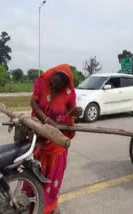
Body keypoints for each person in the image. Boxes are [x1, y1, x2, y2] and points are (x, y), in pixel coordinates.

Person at [30, 64, 82, 214]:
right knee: (34, 170)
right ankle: (32, 199)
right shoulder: (42, 82)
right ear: (52, 77)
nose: (53, 88)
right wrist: (46, 120)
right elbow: (33, 103)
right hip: (40, 135)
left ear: (65, 86)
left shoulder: (69, 93)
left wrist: (76, 112)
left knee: (53, 174)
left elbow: (72, 112)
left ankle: (48, 207)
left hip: (57, 141)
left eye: (57, 87)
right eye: (52, 83)